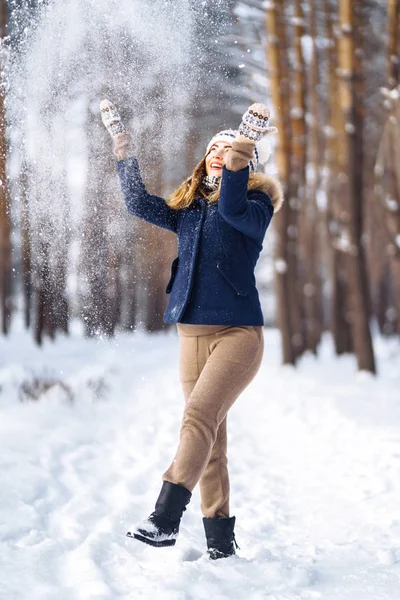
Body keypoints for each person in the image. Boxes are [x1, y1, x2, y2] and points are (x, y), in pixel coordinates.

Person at [100, 99, 283, 559]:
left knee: (197, 419)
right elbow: (138, 202)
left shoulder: (255, 206)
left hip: (237, 336)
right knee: (211, 440)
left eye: (231, 151)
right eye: (215, 149)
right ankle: (220, 542)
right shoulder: (188, 210)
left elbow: (233, 207)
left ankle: (165, 518)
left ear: (247, 162)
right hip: (190, 336)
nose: (220, 154)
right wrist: (122, 147)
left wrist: (243, 142)